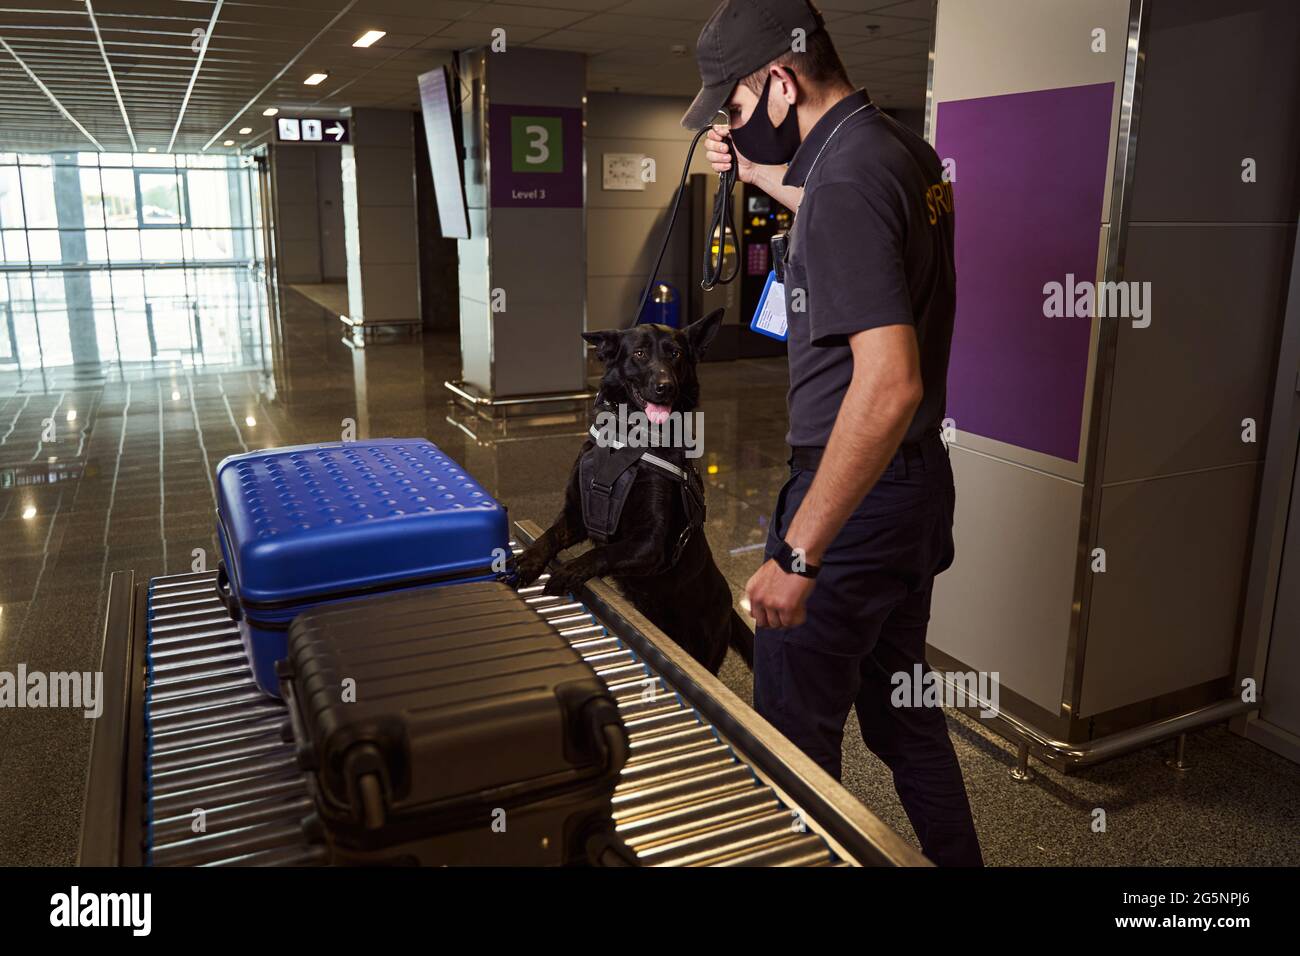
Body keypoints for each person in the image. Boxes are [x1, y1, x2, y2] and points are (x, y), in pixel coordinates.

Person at [682, 0, 983, 866]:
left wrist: (801, 552)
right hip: (910, 489)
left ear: (780, 80)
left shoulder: (848, 179)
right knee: (904, 718)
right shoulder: (896, 152)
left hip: (850, 501)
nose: (732, 124)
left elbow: (888, 386)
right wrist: (752, 171)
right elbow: (835, 208)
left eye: (734, 108)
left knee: (790, 742)